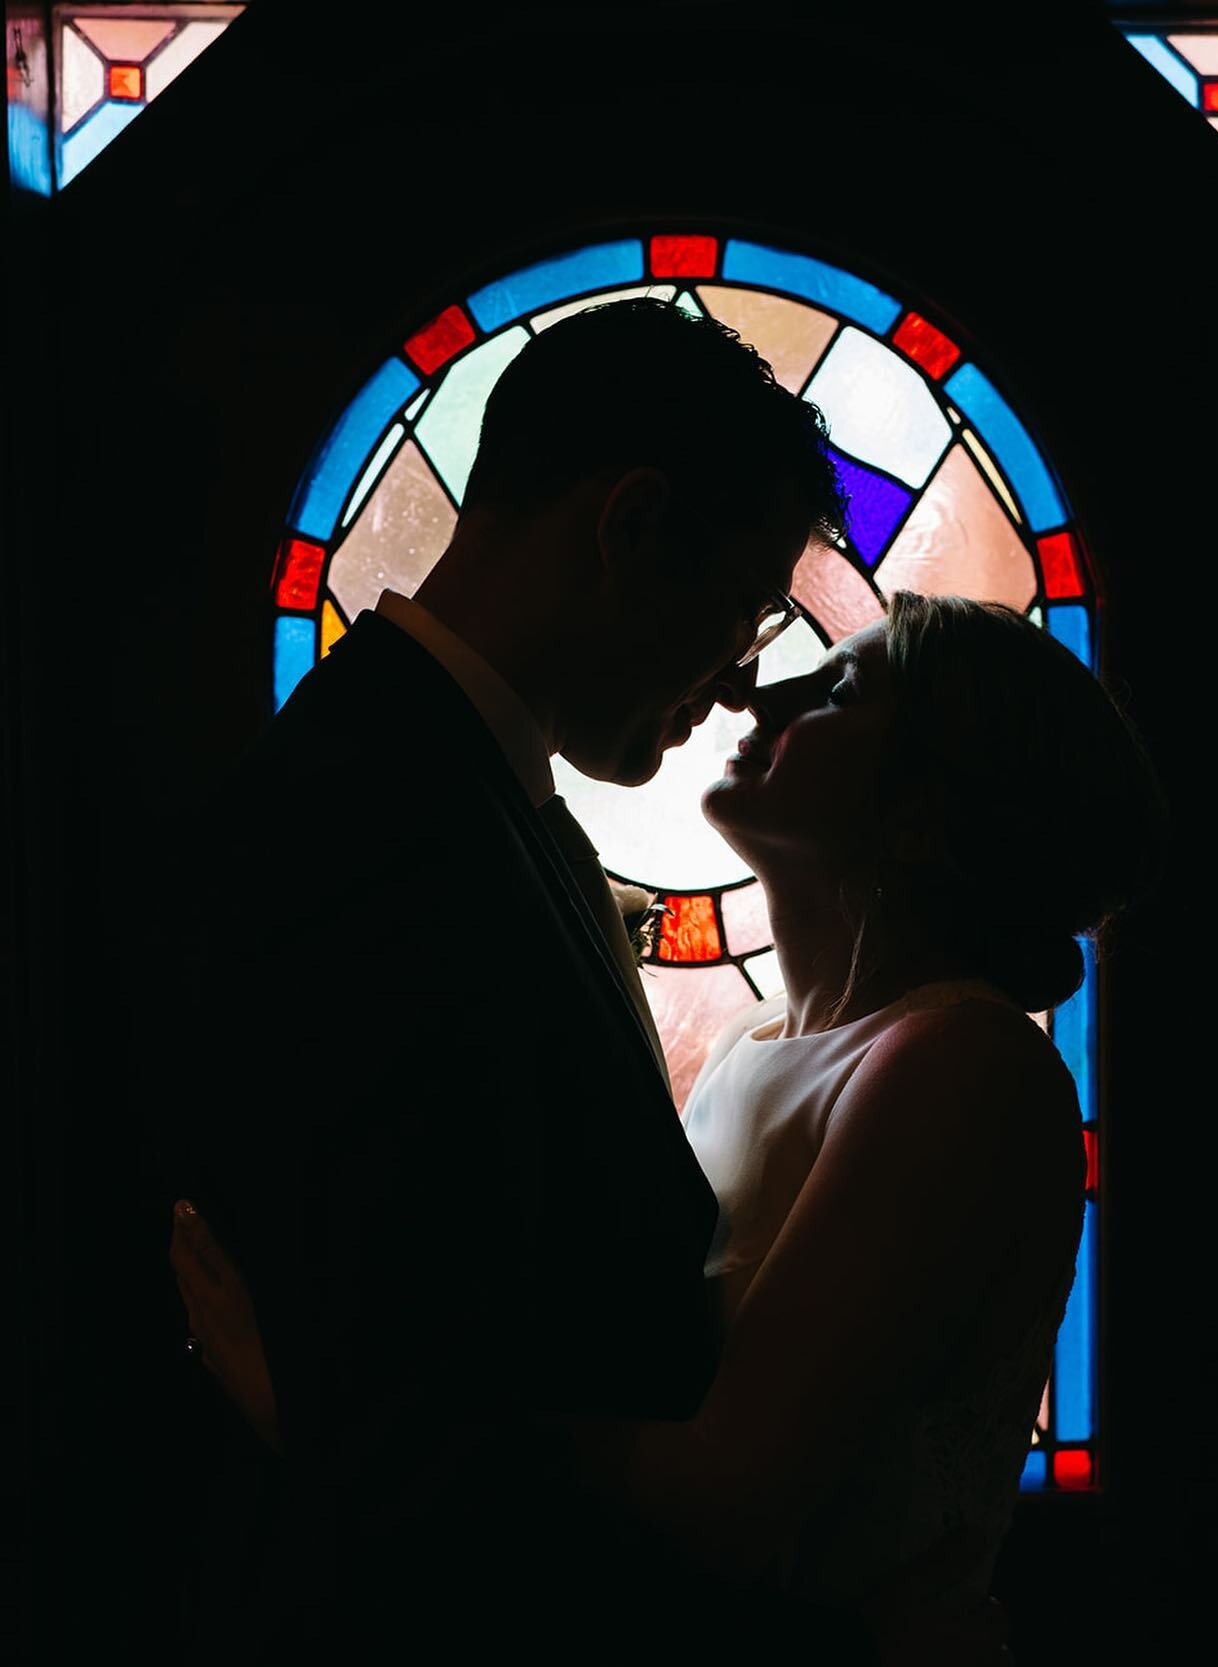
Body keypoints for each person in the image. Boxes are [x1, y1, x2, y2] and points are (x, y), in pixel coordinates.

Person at [151, 295, 1014, 1664]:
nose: (742, 687)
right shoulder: (366, 818)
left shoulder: (473, 796)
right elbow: (404, 1392)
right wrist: (323, 1415)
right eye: (740, 610)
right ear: (629, 527)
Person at [169, 584, 1170, 1656]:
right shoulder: (758, 1042)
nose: (763, 694)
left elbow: (722, 1493)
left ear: (921, 814)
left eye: (838, 687)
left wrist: (334, 1419)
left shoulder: (959, 1066)